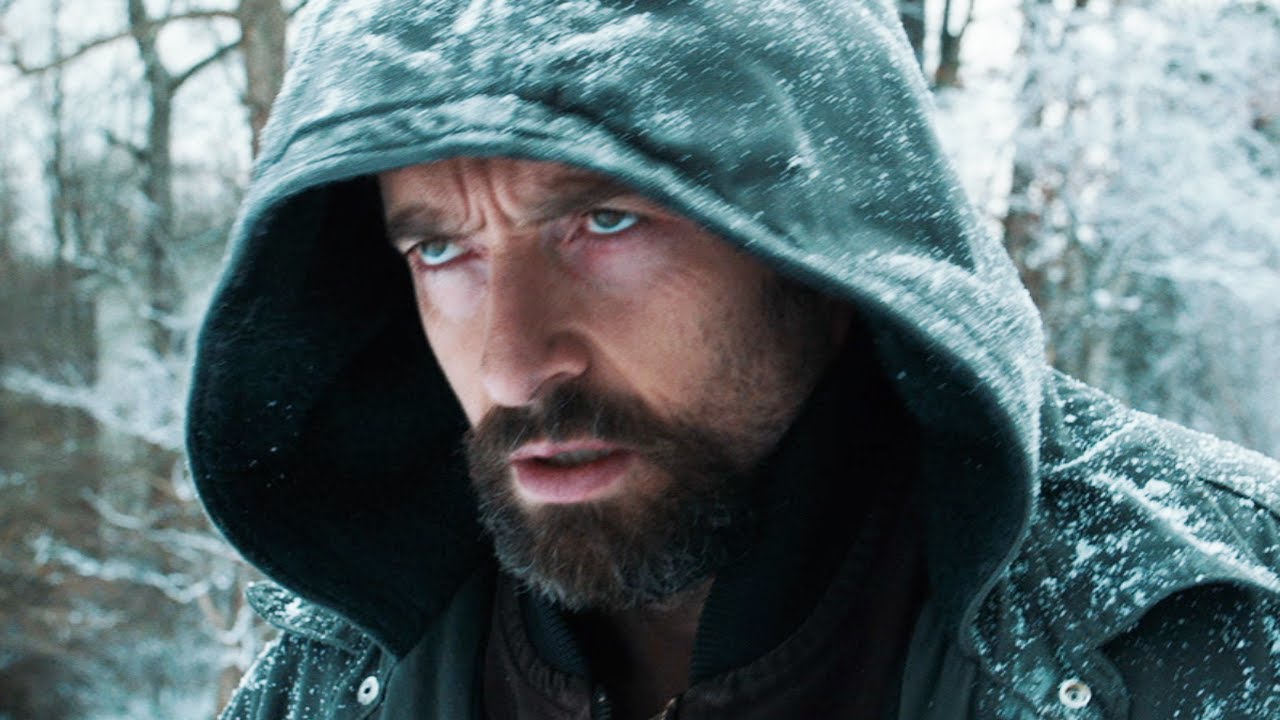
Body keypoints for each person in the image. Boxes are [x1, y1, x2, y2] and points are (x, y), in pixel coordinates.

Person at [186, 0, 1280, 718]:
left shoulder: (1212, 628)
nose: (512, 366)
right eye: (441, 249)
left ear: (823, 247)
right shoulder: (338, 673)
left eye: (606, 222)